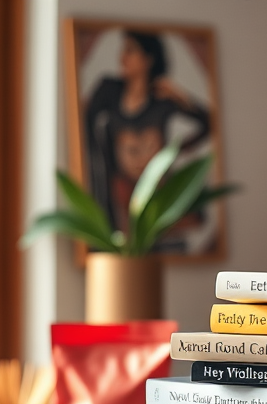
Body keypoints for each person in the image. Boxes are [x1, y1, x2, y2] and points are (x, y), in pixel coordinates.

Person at [83, 30, 211, 246]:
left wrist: (183, 101)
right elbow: (85, 122)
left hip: (157, 193)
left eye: (130, 51)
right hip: (121, 192)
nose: (122, 58)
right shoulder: (110, 92)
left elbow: (208, 123)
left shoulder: (162, 100)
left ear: (148, 59)